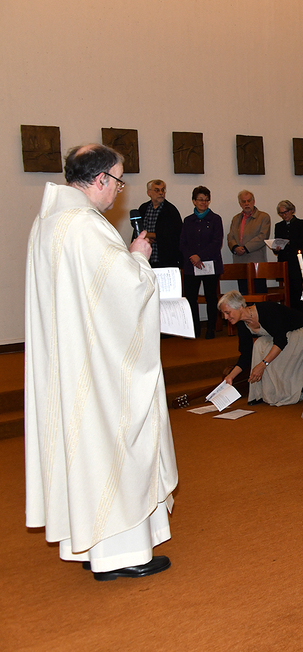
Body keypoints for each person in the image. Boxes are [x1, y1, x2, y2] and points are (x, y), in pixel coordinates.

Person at [26, 144, 177, 581]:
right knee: (113, 444)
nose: (119, 189)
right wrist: (139, 257)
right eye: (118, 180)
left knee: (85, 451)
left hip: (73, 360)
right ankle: (123, 554)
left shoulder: (49, 222)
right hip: (99, 368)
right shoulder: (86, 226)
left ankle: (96, 548)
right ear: (100, 180)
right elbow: (125, 292)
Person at [219, 291, 303, 407]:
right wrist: (231, 376)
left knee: (273, 358)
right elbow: (246, 355)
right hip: (283, 334)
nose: (226, 317)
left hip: (301, 331)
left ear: (240, 307)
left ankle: (293, 389)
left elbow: (281, 341)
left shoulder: (266, 311)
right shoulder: (242, 324)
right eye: (224, 314)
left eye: (227, 313)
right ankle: (260, 394)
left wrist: (263, 364)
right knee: (259, 345)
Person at [179, 186, 224, 339]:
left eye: (206, 200)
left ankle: (211, 328)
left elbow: (217, 242)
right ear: (194, 201)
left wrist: (200, 256)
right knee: (191, 298)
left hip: (210, 264)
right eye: (200, 200)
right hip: (191, 265)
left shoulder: (215, 219)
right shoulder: (188, 220)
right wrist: (192, 257)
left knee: (211, 297)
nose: (203, 203)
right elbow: (182, 243)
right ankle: (194, 329)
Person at [227, 190, 271, 294]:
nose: (246, 203)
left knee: (260, 295)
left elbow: (263, 236)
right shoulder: (235, 219)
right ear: (240, 203)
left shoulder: (263, 217)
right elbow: (230, 236)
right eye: (244, 201)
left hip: (256, 263)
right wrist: (235, 247)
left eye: (249, 201)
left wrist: (245, 248)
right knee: (244, 295)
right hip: (240, 262)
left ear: (253, 201)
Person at [272, 200, 303, 312]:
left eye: (285, 212)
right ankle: (288, 312)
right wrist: (276, 248)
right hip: (284, 261)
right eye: (281, 213)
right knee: (287, 290)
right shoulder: (279, 226)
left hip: (297, 262)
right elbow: (277, 244)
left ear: (292, 210)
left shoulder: (301, 224)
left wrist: (290, 242)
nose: (284, 215)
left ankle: (299, 313)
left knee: (297, 289)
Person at [133, 179, 182, 269]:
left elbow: (176, 235)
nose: (161, 193)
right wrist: (145, 238)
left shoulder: (171, 210)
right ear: (149, 193)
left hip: (165, 260)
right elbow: (136, 232)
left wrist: (151, 235)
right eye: (157, 190)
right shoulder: (143, 208)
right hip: (145, 260)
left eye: (162, 190)